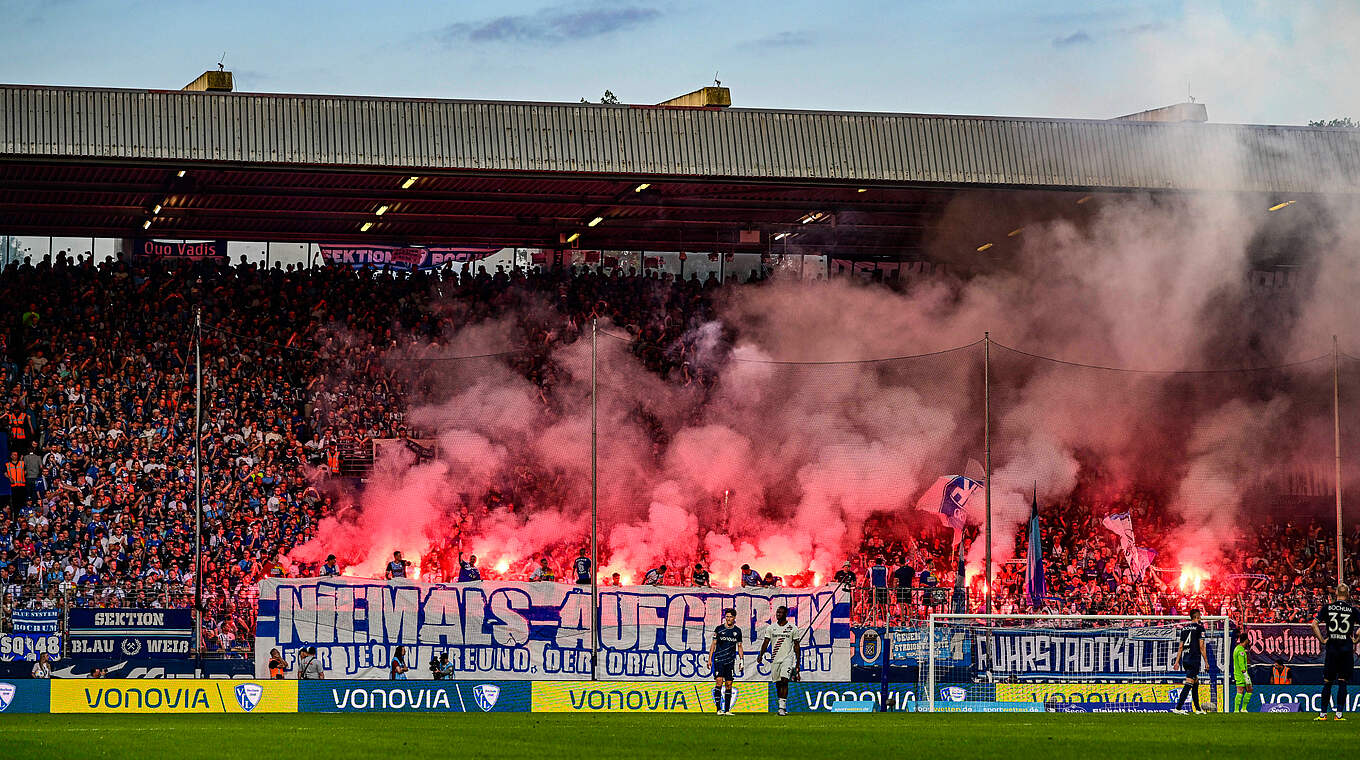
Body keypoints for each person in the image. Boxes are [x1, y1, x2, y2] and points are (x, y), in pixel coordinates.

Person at [1310, 583, 1360, 721]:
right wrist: (1356, 639)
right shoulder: (1353, 609)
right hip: (1346, 650)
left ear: (1336, 594)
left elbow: (1314, 624)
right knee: (1343, 681)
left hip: (1332, 649)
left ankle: (1323, 714)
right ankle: (1338, 714)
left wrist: (1322, 639)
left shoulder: (1328, 608)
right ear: (1348, 594)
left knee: (1327, 682)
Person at [758, 605, 801, 716]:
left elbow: (796, 646)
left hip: (787, 658)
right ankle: (780, 705)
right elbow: (766, 642)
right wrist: (760, 655)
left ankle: (782, 708)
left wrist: (798, 662)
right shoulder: (771, 628)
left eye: (781, 613)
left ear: (785, 614)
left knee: (784, 680)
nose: (778, 614)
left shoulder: (793, 628)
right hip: (775, 659)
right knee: (778, 683)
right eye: (777, 612)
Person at [1172, 609, 1207, 714]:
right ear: (1197, 617)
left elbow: (1180, 647)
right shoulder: (1200, 628)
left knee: (1195, 681)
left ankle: (1198, 709)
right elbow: (1201, 646)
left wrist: (1177, 661)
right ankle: (1178, 708)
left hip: (1186, 659)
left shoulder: (1184, 629)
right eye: (1200, 616)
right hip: (1194, 658)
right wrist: (1206, 662)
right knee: (1189, 683)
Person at [709, 607, 743, 716]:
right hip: (719, 660)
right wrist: (710, 659)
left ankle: (727, 710)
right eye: (727, 617)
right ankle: (718, 709)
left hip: (730, 661)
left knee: (729, 684)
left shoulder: (737, 631)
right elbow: (713, 644)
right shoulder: (719, 629)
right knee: (719, 682)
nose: (728, 619)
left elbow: (740, 646)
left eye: (731, 617)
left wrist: (741, 660)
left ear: (734, 618)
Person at [1232, 631, 1252, 713]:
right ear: (1246, 640)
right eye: (1248, 639)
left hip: (1238, 673)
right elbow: (1241, 664)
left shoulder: (1237, 648)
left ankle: (1240, 709)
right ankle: (1240, 709)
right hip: (1241, 674)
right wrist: (1245, 675)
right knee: (1245, 690)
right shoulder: (1241, 651)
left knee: (1247, 690)